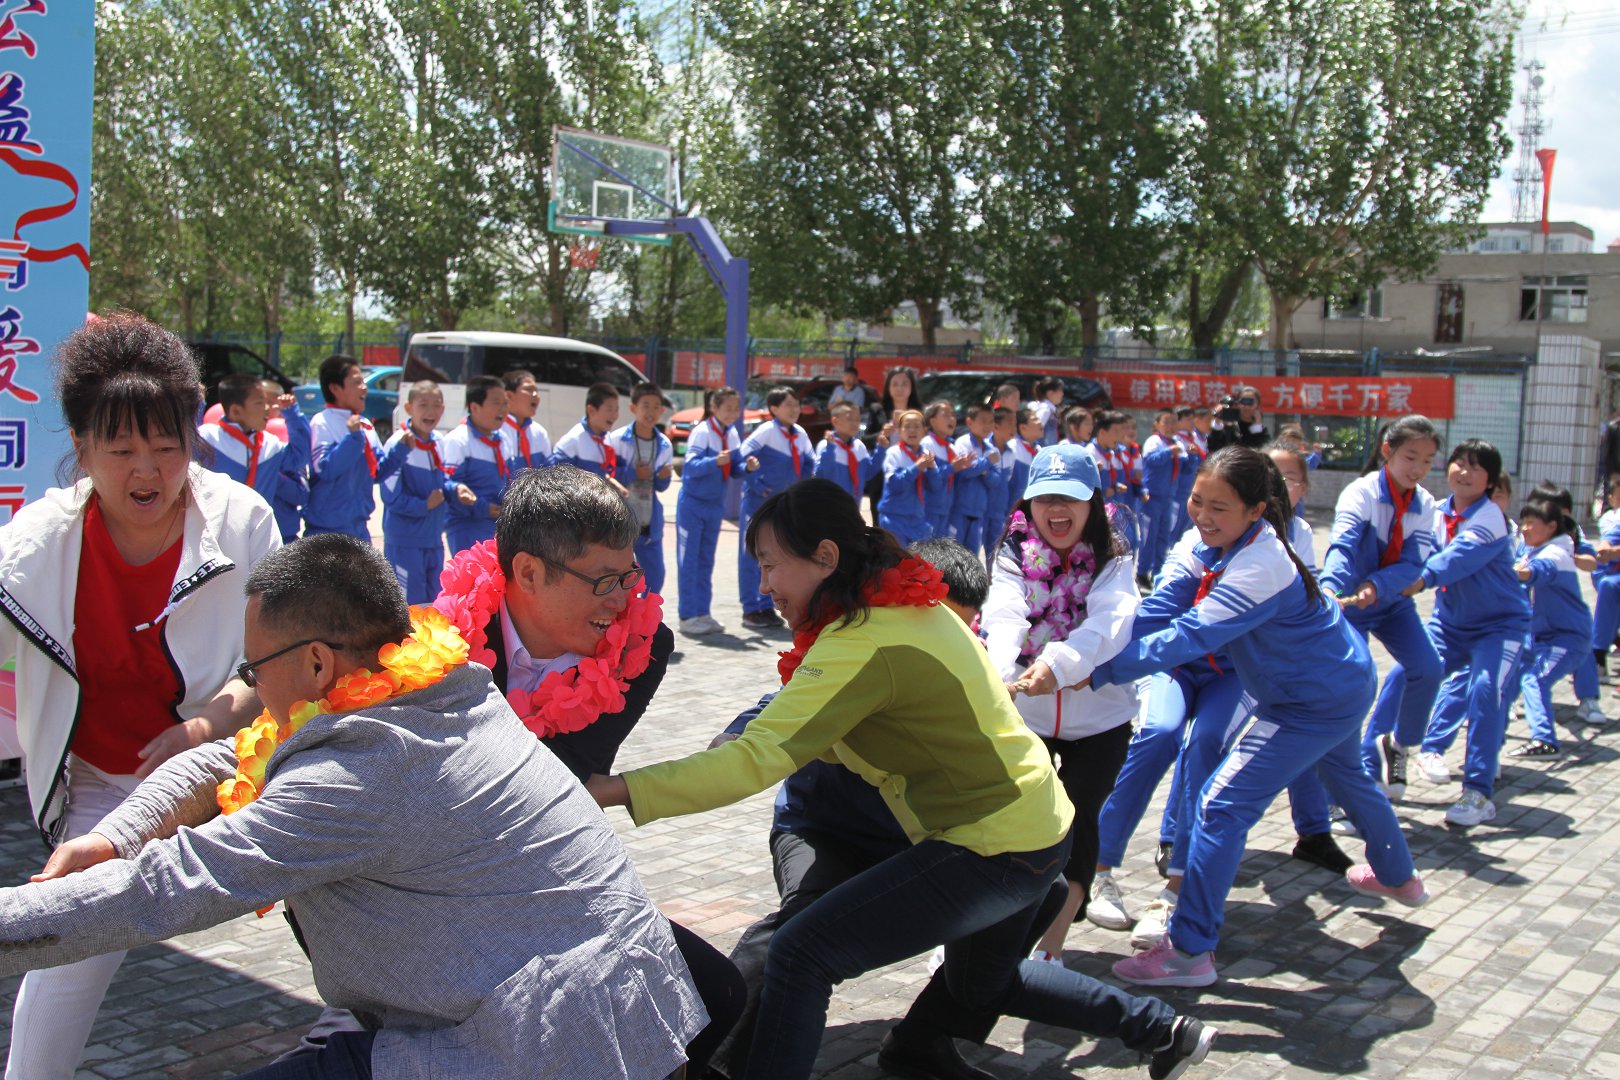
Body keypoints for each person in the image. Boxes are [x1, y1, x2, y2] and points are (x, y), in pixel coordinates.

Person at [4, 534, 705, 1079]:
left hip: (530, 1049)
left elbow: (163, 891)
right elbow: (234, 753)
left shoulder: (360, 774)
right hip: (599, 1011)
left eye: (253, 671)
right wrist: (117, 835)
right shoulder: (447, 683)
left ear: (315, 663)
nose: (252, 688)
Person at [587, 479, 1217, 1080]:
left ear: (826, 556)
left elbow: (755, 759)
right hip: (1033, 821)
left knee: (802, 953)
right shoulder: (910, 609)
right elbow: (801, 732)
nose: (764, 584)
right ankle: (1160, 1028)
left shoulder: (862, 640)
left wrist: (615, 789)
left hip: (993, 842)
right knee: (981, 984)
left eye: (772, 565)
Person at [0, 313, 279, 1079]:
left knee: (346, 913)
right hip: (100, 787)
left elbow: (278, 663)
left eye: (167, 446)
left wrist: (205, 728)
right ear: (81, 450)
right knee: (64, 959)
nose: (147, 470)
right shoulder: (33, 548)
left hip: (230, 780)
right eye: (121, 450)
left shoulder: (243, 522)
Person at [1061, 447, 1428, 988]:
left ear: (1257, 510)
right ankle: (1400, 878)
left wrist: (1097, 672)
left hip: (1311, 702)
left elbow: (1191, 635)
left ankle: (1189, 951)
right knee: (1347, 776)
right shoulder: (1216, 545)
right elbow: (1162, 609)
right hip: (1338, 682)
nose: (1202, 516)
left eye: (1219, 508)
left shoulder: (1261, 563)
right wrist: (1080, 642)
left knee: (1218, 805)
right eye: (1196, 501)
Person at [709, 536, 1069, 1080]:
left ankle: (926, 1040)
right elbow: (779, 708)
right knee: (801, 924)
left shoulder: (956, 664)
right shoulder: (867, 645)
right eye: (939, 619)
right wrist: (736, 739)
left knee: (1042, 888)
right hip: (826, 828)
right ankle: (711, 1058)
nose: (943, 635)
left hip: (911, 836)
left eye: (962, 627)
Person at [429, 467, 741, 1073]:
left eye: (628, 576)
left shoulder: (641, 649)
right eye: (603, 581)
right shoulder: (438, 642)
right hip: (437, 880)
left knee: (713, 997)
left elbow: (562, 780)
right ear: (526, 572)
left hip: (543, 867)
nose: (621, 600)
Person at [983, 446, 1140, 963]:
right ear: (1028, 504)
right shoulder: (1012, 551)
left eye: (1070, 498)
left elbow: (1110, 624)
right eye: (1045, 497)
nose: (1057, 510)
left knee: (1076, 821)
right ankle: (977, 934)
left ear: (1092, 504)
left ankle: (1048, 951)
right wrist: (1002, 673)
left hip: (1100, 717)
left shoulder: (1115, 556)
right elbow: (1004, 615)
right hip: (1027, 712)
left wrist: (1062, 665)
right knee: (1009, 819)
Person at [1399, 440, 1529, 827]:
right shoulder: (1435, 512)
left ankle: (1478, 791)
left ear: (1490, 481)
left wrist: (1418, 579)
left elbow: (1454, 561)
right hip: (1449, 625)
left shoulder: (1492, 518)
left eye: (1477, 467)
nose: (1465, 471)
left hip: (1500, 627)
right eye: (1459, 463)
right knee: (1404, 675)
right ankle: (1387, 764)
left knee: (1484, 691)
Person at [1319, 414, 1444, 801]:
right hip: (1352, 604)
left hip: (1391, 602)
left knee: (1428, 668)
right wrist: (1330, 588)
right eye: (1411, 457)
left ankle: (1400, 745)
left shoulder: (1424, 504)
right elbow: (1342, 546)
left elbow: (1413, 563)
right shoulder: (1361, 493)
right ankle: (1345, 784)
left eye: (1427, 460)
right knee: (1356, 685)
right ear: (1387, 451)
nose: (1418, 468)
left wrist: (1378, 585)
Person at [1509, 494, 1594, 759]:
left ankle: (1545, 740)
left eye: (1531, 522)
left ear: (1551, 526)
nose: (1524, 528)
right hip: (1537, 637)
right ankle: (1490, 733)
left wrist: (1502, 571)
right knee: (1508, 678)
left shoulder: (1556, 553)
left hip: (1566, 638)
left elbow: (1533, 572)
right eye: (1523, 522)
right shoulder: (1533, 548)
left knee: (1536, 678)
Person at [378, 381, 477, 604]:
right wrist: (424, 505)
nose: (430, 412)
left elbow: (443, 483)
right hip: (405, 543)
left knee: (432, 607)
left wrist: (455, 489)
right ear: (408, 408)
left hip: (433, 540)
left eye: (436, 406)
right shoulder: (398, 443)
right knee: (407, 609)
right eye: (423, 405)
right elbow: (390, 496)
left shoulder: (438, 442)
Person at [676, 387, 754, 636]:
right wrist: (713, 461)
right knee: (689, 561)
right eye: (728, 408)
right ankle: (687, 615)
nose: (733, 413)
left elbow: (734, 470)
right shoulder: (701, 432)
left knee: (705, 560)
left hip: (714, 506)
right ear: (714, 407)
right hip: (693, 504)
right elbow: (690, 468)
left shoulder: (731, 434)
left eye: (736, 408)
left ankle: (703, 612)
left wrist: (747, 467)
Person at [737, 387, 814, 629]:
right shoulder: (766, 431)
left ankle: (767, 606)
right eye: (788, 405)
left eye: (796, 404)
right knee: (752, 556)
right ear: (774, 409)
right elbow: (742, 460)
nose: (795, 410)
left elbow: (811, 463)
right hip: (758, 505)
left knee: (777, 557)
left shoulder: (800, 434)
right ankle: (751, 609)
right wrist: (760, 486)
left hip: (784, 508)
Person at [305, 354, 387, 539]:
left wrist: (402, 449)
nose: (364, 388)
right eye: (357, 382)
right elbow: (325, 469)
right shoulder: (322, 422)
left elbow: (378, 471)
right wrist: (354, 438)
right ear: (334, 388)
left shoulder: (364, 423)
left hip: (359, 528)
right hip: (327, 532)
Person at [196, 374, 306, 512]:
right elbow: (181, 445)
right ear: (236, 411)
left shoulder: (270, 445)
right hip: (214, 528)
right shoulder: (208, 439)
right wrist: (196, 403)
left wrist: (292, 414)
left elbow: (299, 457)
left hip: (256, 530)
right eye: (260, 403)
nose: (267, 408)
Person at [610, 382, 675, 594]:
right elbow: (608, 475)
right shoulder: (617, 439)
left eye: (656, 407)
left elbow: (661, 486)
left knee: (655, 577)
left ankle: (645, 624)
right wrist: (632, 474)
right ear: (633, 408)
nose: (651, 411)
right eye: (645, 405)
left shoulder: (664, 443)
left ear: (662, 411)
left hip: (648, 521)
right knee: (620, 576)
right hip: (621, 520)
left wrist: (662, 478)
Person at [440, 373, 511, 556]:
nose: (503, 409)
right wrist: (482, 507)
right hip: (467, 527)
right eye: (496, 403)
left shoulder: (503, 439)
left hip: (498, 525)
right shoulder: (458, 440)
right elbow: (447, 485)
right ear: (475, 407)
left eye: (505, 402)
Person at [876, 409, 943, 548]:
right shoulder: (893, 453)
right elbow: (895, 485)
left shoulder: (926, 454)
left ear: (925, 431)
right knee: (897, 561)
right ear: (899, 431)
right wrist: (916, 468)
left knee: (919, 563)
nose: (912, 430)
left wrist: (931, 469)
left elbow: (936, 487)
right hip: (894, 518)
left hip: (917, 519)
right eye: (907, 426)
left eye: (917, 426)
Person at [864, 366, 920, 526]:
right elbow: (865, 438)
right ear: (888, 387)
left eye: (904, 384)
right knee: (880, 524)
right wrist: (883, 433)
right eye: (895, 384)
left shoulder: (919, 412)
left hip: (910, 472)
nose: (900, 388)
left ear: (911, 387)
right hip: (882, 474)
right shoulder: (878, 410)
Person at [262, 379, 312, 543]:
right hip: (252, 535)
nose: (267, 409)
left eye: (271, 403)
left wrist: (271, 474)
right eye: (261, 403)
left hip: (284, 535)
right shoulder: (241, 446)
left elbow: (301, 495)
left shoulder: (286, 447)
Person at [1140, 408, 1187, 581]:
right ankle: (1142, 571)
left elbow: (1187, 469)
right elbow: (1151, 462)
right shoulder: (1154, 441)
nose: (1170, 426)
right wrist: (1169, 452)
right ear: (1157, 424)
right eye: (1166, 422)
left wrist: (1193, 456)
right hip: (1152, 496)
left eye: (1174, 422)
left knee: (1163, 537)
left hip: (1169, 497)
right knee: (1149, 536)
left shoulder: (1178, 443)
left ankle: (1158, 571)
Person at [552, 381, 626, 486]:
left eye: (616, 410)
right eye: (609, 410)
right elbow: (558, 479)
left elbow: (601, 473)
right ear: (591, 410)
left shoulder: (606, 438)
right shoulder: (573, 440)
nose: (614, 416)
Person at [949, 404, 998, 553]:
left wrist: (983, 470)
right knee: (954, 553)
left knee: (972, 556)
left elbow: (996, 481)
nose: (988, 425)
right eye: (983, 420)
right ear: (969, 422)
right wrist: (987, 463)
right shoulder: (963, 442)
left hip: (979, 511)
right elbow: (966, 470)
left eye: (991, 421)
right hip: (960, 509)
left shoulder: (991, 448)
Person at [813, 400, 882, 503]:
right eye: (850, 419)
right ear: (835, 421)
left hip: (853, 505)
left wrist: (881, 449)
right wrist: (830, 449)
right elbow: (822, 474)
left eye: (858, 419)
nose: (855, 423)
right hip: (830, 504)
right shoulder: (825, 445)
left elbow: (868, 473)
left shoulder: (859, 446)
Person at [922, 400, 970, 540]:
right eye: (946, 415)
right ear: (932, 421)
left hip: (947, 509)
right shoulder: (927, 443)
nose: (952, 419)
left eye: (953, 415)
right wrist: (952, 467)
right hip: (929, 508)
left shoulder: (951, 447)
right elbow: (929, 479)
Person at [501, 368, 552, 470]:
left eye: (536, 390)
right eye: (529, 389)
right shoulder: (496, 431)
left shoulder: (539, 432)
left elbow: (548, 470)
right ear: (509, 395)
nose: (536, 395)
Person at [1206, 386, 1268, 453]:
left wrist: (1257, 427)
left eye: (1250, 402)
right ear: (1238, 403)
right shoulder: (1230, 426)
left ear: (1257, 405)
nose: (1246, 406)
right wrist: (1217, 422)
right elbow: (1213, 448)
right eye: (1243, 402)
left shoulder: (1261, 430)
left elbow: (1261, 451)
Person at [1032, 376, 1065, 445]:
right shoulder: (1045, 410)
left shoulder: (1047, 409)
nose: (1062, 394)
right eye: (1060, 390)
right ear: (1050, 393)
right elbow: (1034, 430)